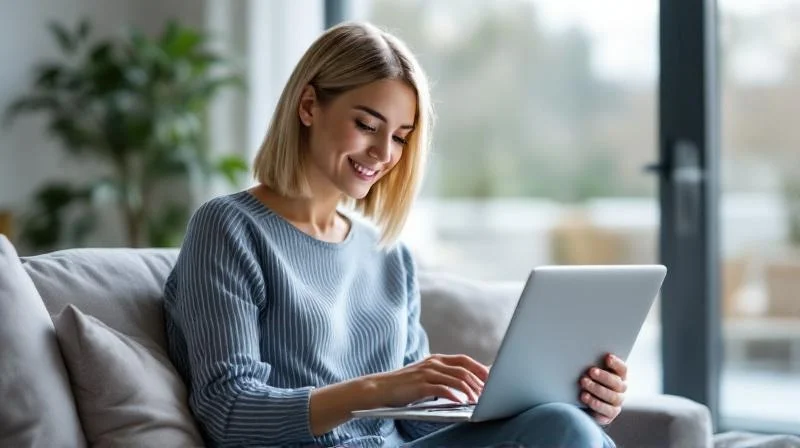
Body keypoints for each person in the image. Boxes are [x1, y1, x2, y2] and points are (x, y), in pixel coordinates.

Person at [163, 21, 627, 448]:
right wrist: (380, 387)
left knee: (565, 422)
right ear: (308, 106)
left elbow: (414, 421)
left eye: (401, 136)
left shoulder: (387, 255)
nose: (384, 153)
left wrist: (568, 397)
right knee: (563, 430)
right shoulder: (228, 228)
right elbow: (227, 411)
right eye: (366, 125)